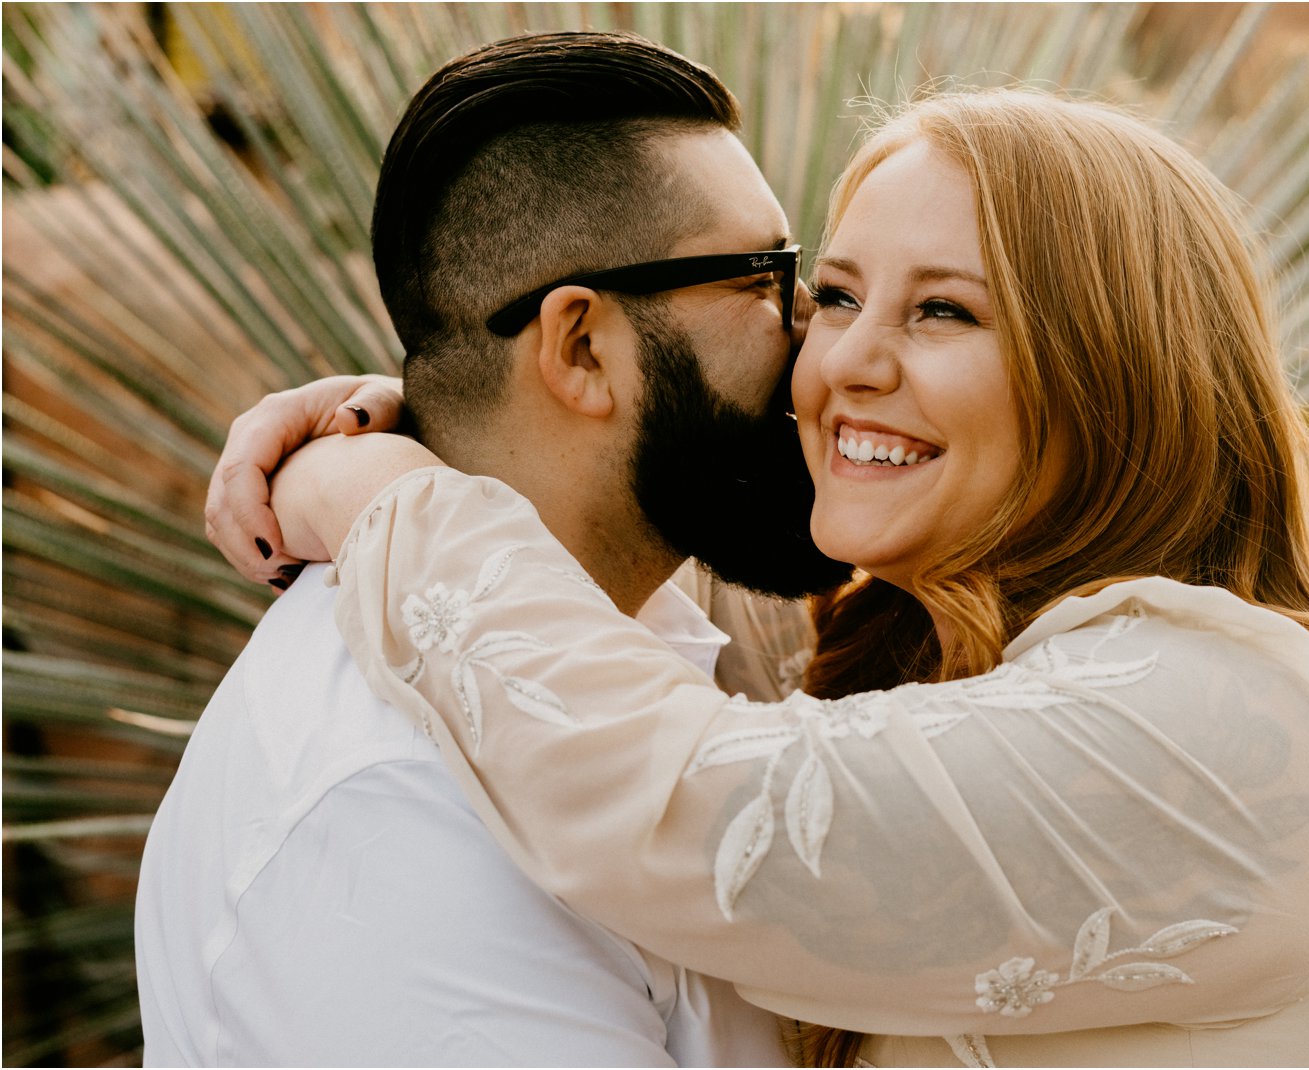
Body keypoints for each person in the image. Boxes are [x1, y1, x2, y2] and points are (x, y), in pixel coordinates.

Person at [231, 90, 1309, 1067]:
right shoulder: (983, 669)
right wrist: (467, 403)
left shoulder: (1219, 716)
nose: (844, 361)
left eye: (944, 311)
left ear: (1114, 372)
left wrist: (385, 492)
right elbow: (639, 532)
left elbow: (680, 799)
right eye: (835, 296)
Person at [136, 30, 853, 1066]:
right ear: (579, 346)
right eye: (761, 278)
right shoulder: (403, 808)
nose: (814, 340)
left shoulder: (611, 642)